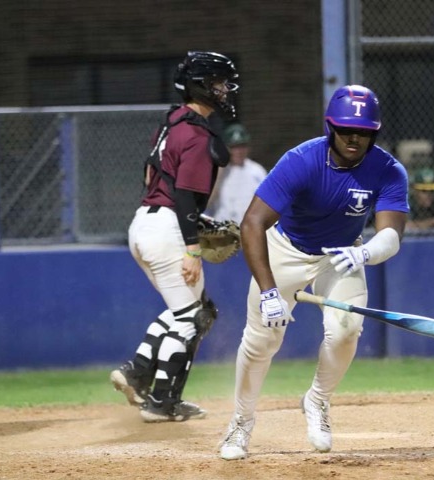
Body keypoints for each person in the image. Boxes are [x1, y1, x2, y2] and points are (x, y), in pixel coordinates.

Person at [218, 84, 409, 460]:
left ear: (374, 133)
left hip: (341, 255)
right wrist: (270, 292)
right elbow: (253, 223)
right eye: (346, 129)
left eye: (364, 132)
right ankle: (241, 423)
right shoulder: (301, 160)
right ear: (330, 127)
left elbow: (391, 235)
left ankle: (317, 400)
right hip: (286, 250)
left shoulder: (388, 170)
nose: (354, 138)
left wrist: (364, 252)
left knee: (346, 331)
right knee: (262, 342)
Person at [109, 51, 239, 422]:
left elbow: (151, 178)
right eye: (218, 84)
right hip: (167, 228)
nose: (225, 90)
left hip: (144, 223)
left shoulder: (171, 123)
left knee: (193, 311)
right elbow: (183, 194)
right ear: (202, 86)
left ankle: (137, 373)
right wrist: (192, 248)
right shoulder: (196, 134)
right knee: (192, 318)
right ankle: (162, 402)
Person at [207, 123, 267, 223]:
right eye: (234, 147)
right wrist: (219, 173)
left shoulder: (257, 171)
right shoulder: (218, 171)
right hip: (223, 228)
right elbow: (207, 203)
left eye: (242, 146)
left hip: (247, 227)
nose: (239, 151)